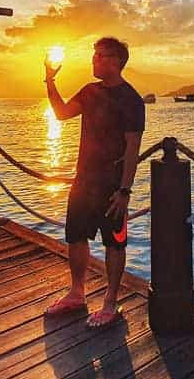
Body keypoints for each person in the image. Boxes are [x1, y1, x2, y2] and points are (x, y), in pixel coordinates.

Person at [43, 37, 145, 328]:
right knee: (76, 236)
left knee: (114, 243)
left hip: (112, 186)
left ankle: (111, 303)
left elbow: (132, 149)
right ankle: (77, 294)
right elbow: (62, 114)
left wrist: (125, 190)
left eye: (100, 56)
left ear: (116, 61)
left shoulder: (132, 100)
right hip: (83, 180)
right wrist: (49, 80)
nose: (94, 60)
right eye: (94, 55)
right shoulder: (89, 92)